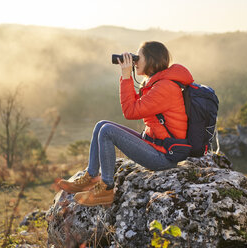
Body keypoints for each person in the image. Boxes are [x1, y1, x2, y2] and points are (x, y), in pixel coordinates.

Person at [57, 41, 194, 207]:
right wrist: (127, 76)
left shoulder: (165, 87)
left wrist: (127, 75)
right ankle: (91, 176)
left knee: (107, 131)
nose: (134, 62)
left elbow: (130, 112)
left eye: (137, 58)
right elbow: (136, 105)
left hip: (164, 157)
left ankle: (106, 188)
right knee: (101, 125)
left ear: (151, 60)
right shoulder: (157, 83)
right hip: (154, 144)